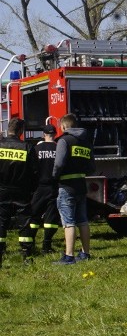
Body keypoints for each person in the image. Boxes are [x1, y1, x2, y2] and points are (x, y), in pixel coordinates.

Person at [52, 114, 96, 265]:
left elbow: (58, 164)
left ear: (64, 127)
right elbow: (92, 167)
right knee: (83, 221)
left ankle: (69, 256)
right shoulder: (86, 143)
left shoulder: (64, 140)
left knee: (68, 222)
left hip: (66, 186)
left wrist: (54, 176)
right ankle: (85, 253)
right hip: (81, 186)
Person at [0, 117, 38, 266]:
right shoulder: (27, 147)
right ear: (20, 131)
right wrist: (32, 190)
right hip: (22, 191)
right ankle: (27, 256)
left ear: (8, 128)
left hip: (2, 190)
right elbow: (35, 172)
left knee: (1, 222)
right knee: (24, 222)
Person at [19, 123, 61, 255]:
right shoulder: (59, 148)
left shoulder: (36, 148)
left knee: (34, 216)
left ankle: (29, 244)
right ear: (55, 134)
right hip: (54, 187)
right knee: (51, 218)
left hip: (39, 187)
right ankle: (46, 245)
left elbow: (32, 169)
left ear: (44, 135)